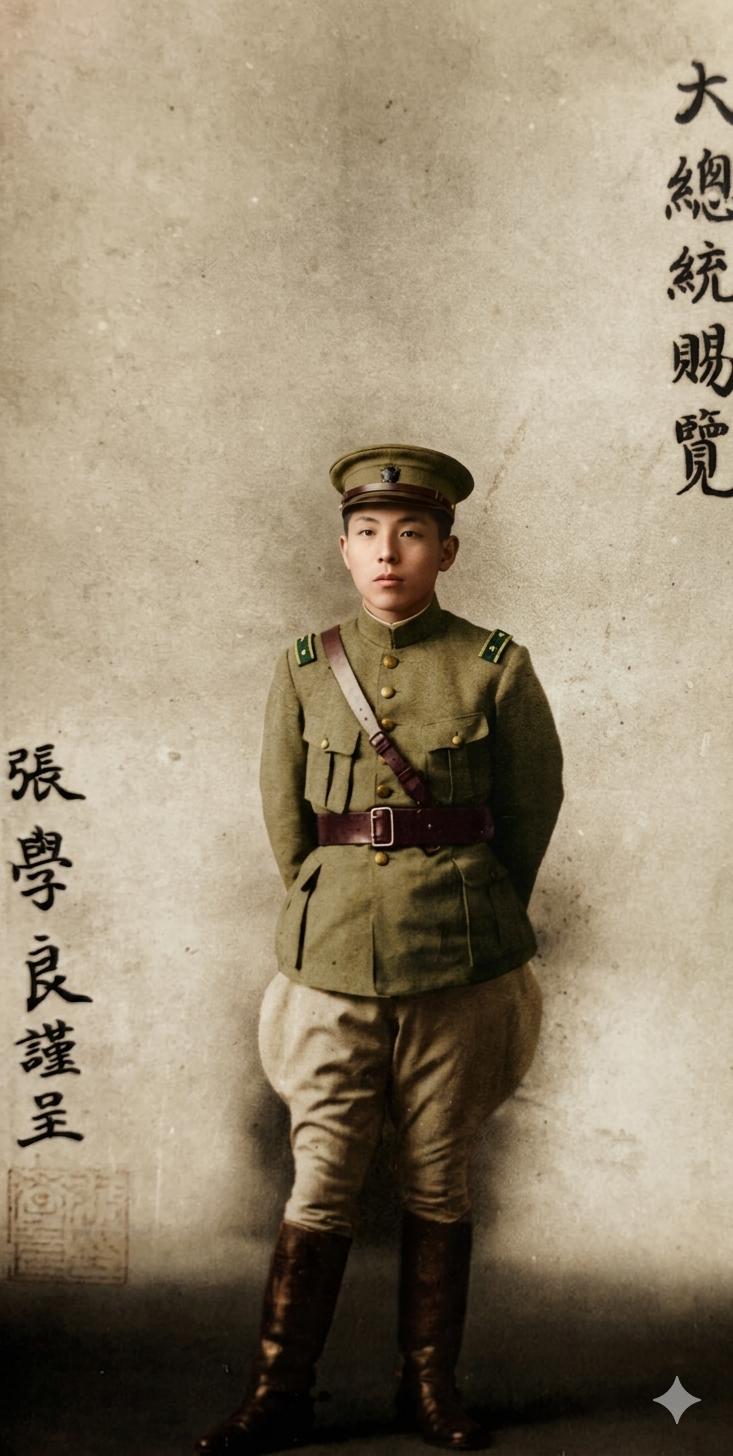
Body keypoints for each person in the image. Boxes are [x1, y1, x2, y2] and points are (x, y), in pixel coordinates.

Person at [195, 444, 564, 1454]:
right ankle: (278, 1391)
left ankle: (428, 1388)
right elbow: (287, 821)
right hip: (330, 960)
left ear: (447, 549)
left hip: (459, 957)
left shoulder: (493, 664)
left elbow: (530, 808)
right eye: (367, 533)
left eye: (410, 533)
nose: (387, 553)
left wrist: (474, 904)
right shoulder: (302, 667)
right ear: (344, 549)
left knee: (438, 1176)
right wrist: (331, 901)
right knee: (320, 1179)